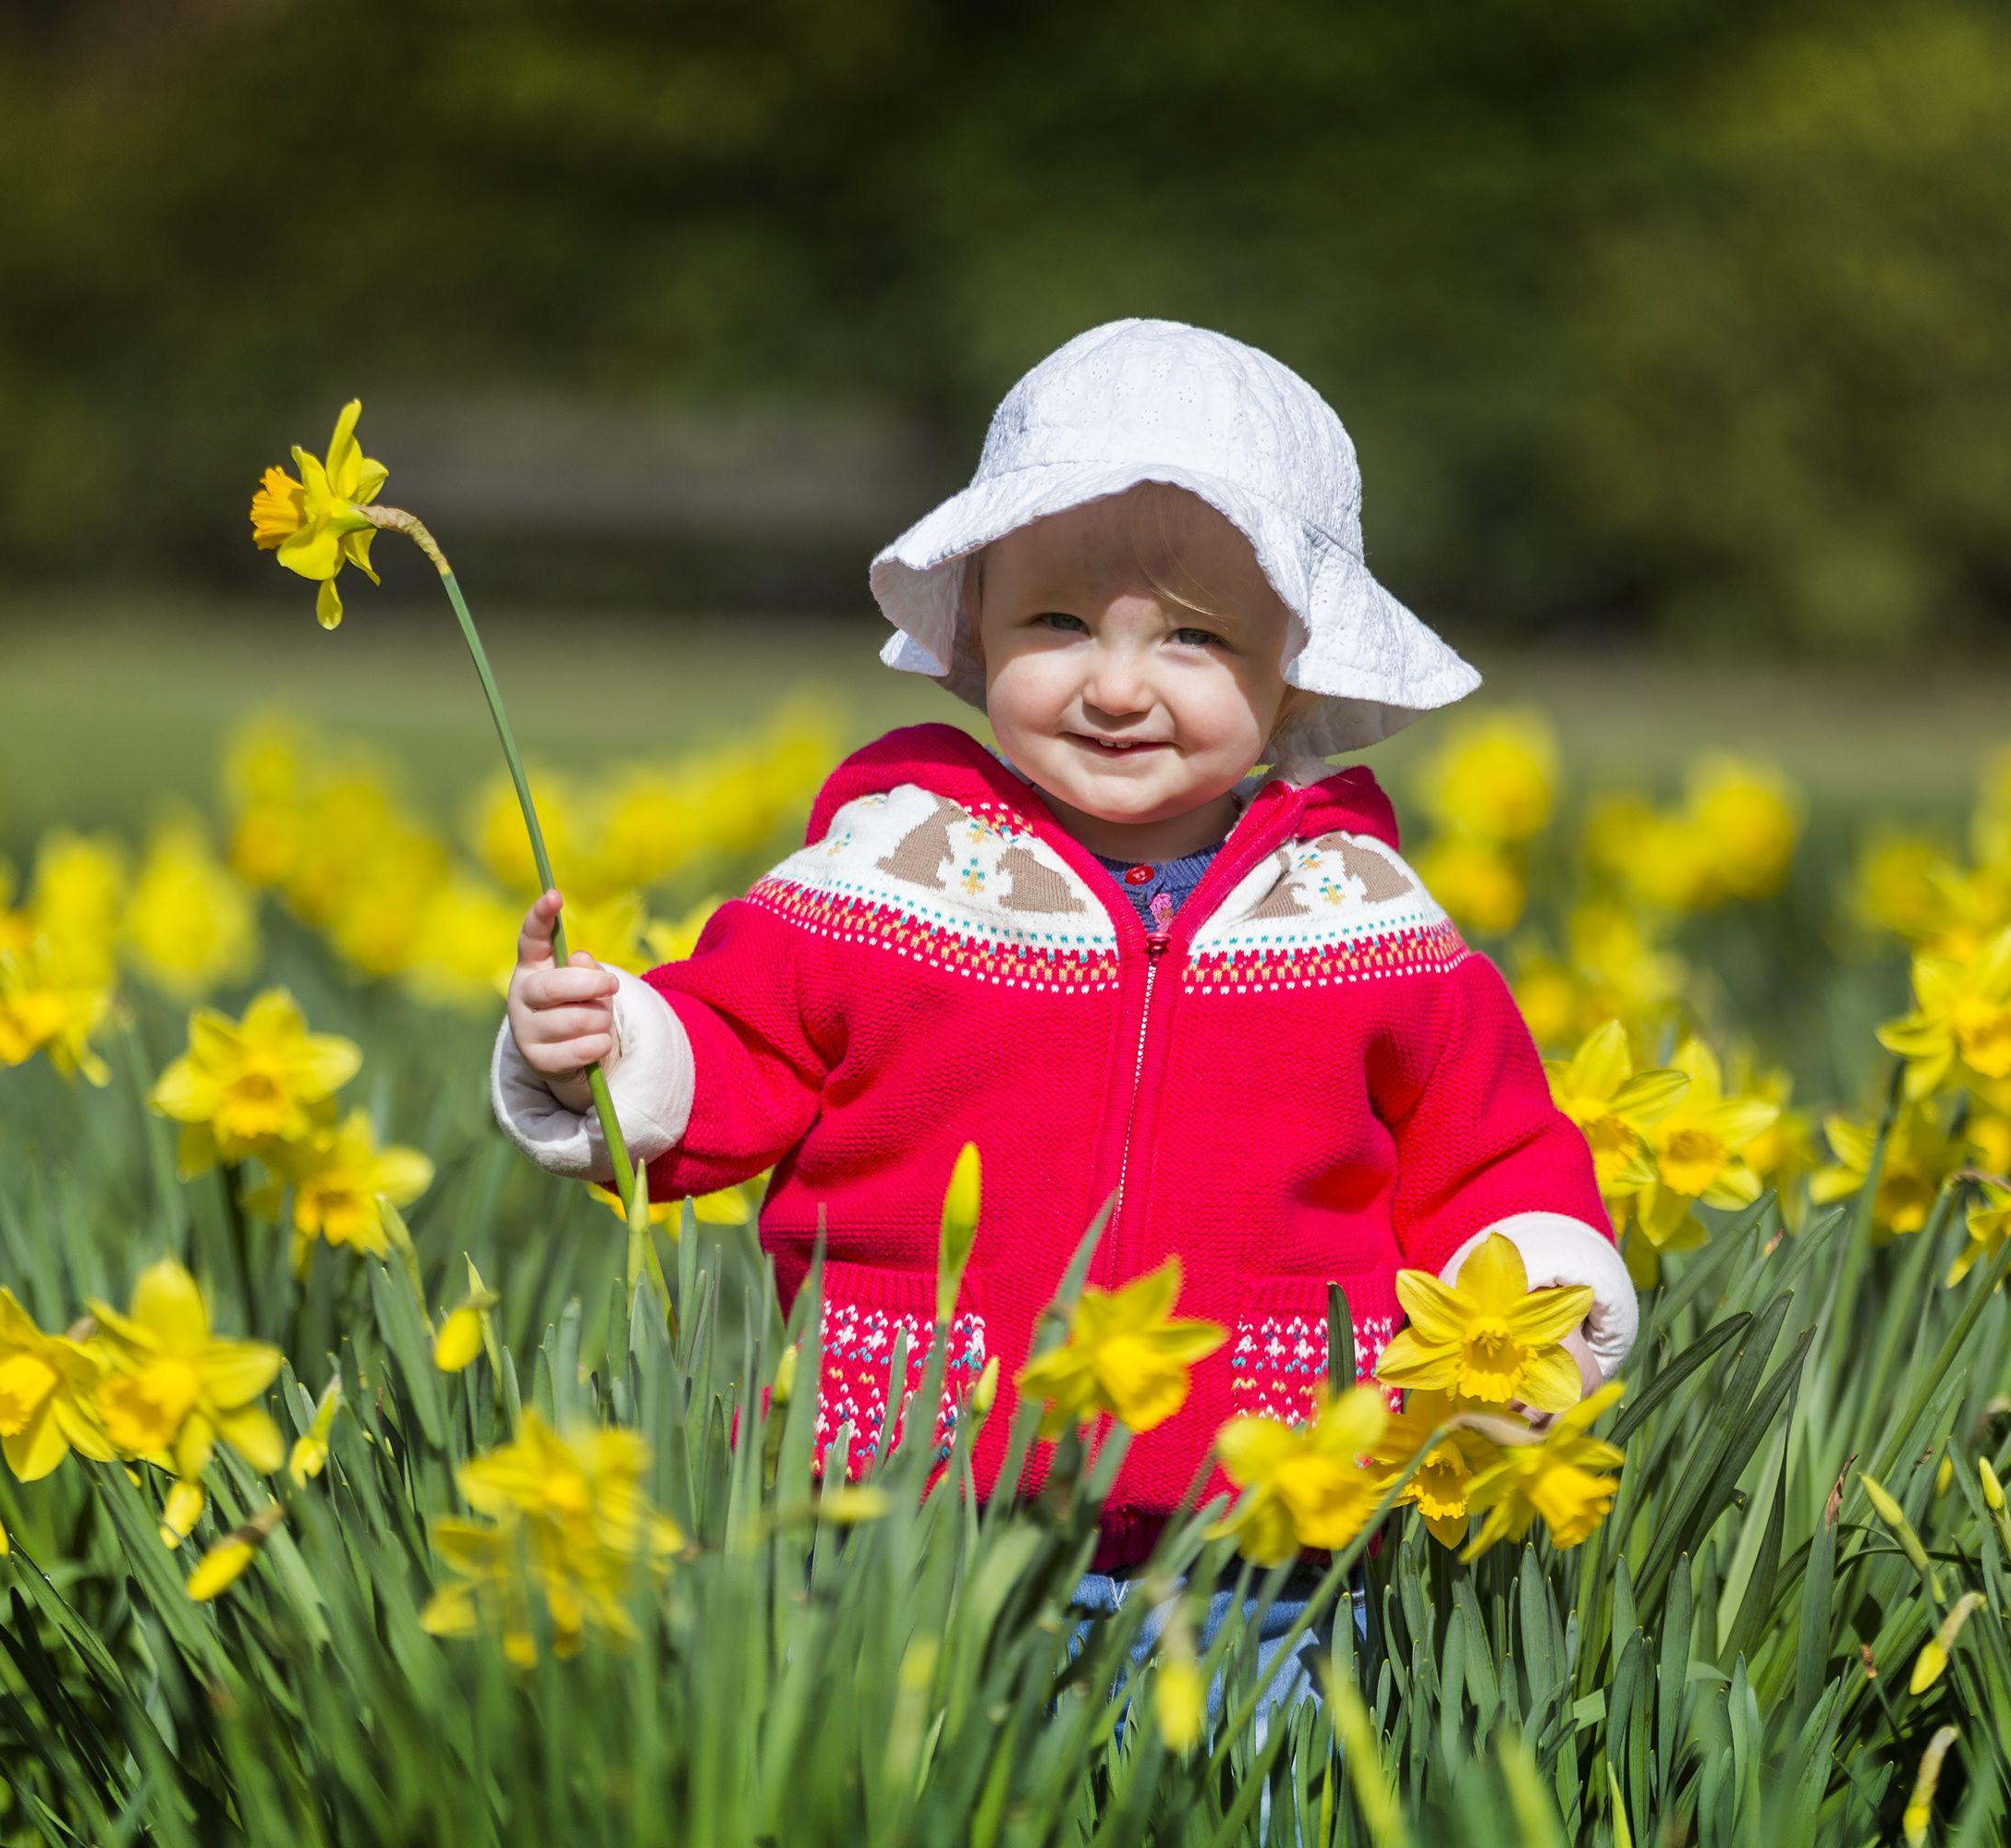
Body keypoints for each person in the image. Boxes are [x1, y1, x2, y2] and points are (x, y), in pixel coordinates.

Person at [488, 316, 1637, 1690]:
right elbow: (735, 1045)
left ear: (1297, 670)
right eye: (1057, 622)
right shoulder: (893, 870)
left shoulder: (1366, 920)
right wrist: (608, 1050)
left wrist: (1539, 1308)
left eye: (1195, 639)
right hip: (903, 1516)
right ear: (972, 624)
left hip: (1269, 1538)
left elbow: (1490, 1149)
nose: (1112, 685)